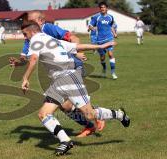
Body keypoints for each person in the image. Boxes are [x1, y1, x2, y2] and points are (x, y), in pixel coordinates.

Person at [21, 21, 130, 156]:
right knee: (43, 114)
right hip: (58, 82)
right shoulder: (51, 40)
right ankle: (65, 141)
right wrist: (101, 45)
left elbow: (33, 59)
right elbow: (78, 46)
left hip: (69, 78)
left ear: (32, 31)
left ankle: (119, 114)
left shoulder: (35, 39)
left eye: (25, 34)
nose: (24, 37)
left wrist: (25, 78)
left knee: (90, 114)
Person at [9, 10, 105, 137]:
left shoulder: (49, 28)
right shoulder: (30, 36)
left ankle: (95, 115)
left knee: (68, 102)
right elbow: (29, 58)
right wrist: (18, 62)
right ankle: (90, 123)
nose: (28, 23)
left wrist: (75, 51)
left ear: (41, 21)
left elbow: (72, 37)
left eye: (32, 20)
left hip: (73, 67)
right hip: (58, 73)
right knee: (65, 106)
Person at [89, 2, 118, 80]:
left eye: (104, 7)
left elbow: (111, 26)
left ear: (107, 8)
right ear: (100, 9)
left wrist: (114, 33)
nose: (102, 9)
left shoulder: (110, 17)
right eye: (101, 7)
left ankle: (113, 72)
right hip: (100, 40)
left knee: (110, 54)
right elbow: (90, 25)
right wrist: (92, 28)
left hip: (109, 38)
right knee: (102, 57)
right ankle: (104, 68)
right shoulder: (96, 17)